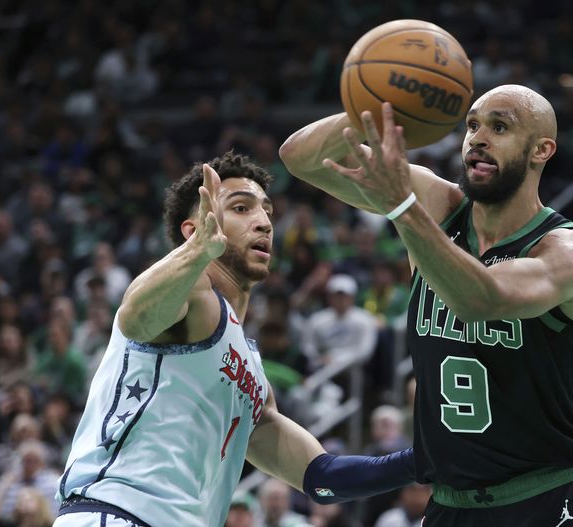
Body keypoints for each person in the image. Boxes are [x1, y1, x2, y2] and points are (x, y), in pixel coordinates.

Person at [280, 85, 573, 526]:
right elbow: (299, 157)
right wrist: (373, 105)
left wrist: (402, 207)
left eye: (499, 127)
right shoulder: (438, 207)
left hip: (549, 498)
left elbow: (482, 299)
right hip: (452, 504)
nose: (478, 137)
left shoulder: (568, 250)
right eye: (471, 125)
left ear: (541, 150)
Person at [53, 152, 415, 527]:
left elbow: (324, 478)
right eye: (241, 208)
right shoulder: (192, 293)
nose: (263, 223)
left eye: (267, 212)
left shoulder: (253, 380)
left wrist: (423, 462)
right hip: (114, 514)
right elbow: (135, 318)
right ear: (194, 229)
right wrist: (195, 254)